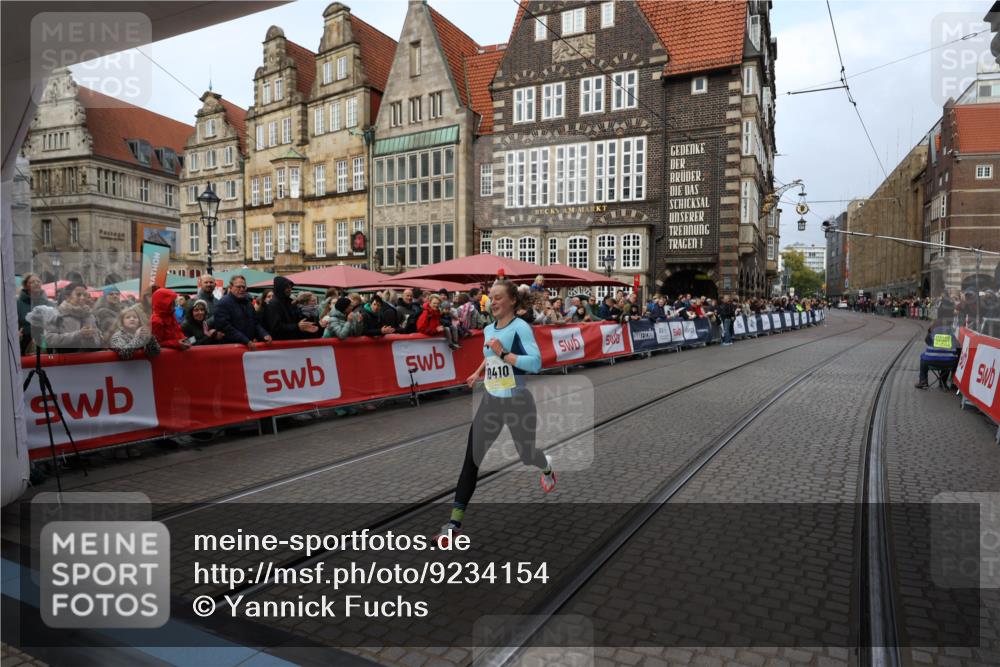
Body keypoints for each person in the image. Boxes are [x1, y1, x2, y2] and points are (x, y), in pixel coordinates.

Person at [436, 280, 554, 546]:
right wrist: (478, 373)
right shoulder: (489, 327)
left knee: (527, 455)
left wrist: (505, 353)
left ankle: (545, 466)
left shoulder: (521, 327)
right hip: (491, 402)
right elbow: (491, 354)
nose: (493, 301)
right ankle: (454, 523)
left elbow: (535, 363)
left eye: (498, 297)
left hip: (517, 402)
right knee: (471, 460)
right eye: (491, 297)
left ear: (512, 300)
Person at [214, 275, 273, 349]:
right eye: (238, 287)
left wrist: (264, 334)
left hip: (248, 346)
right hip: (231, 349)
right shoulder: (223, 303)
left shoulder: (248, 303)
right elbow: (225, 328)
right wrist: (246, 341)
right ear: (231, 287)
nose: (242, 289)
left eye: (244, 287)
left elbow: (255, 322)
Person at [43, 283, 103, 353]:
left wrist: (90, 338)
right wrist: (78, 335)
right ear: (67, 297)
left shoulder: (90, 316)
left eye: (84, 295)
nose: (82, 298)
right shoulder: (56, 314)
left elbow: (97, 343)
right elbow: (48, 339)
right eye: (78, 295)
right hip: (65, 361)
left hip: (89, 361)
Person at [914, 318, 960, 389]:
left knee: (922, 358)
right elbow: (957, 345)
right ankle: (943, 382)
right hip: (949, 363)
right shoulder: (951, 331)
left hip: (930, 361)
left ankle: (923, 381)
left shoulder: (932, 332)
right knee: (948, 358)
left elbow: (927, 341)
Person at [17, 273, 54, 354]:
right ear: (26, 286)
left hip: (46, 345)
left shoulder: (50, 304)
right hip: (24, 345)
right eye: (33, 282)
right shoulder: (17, 304)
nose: (36, 283)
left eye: (38, 281)